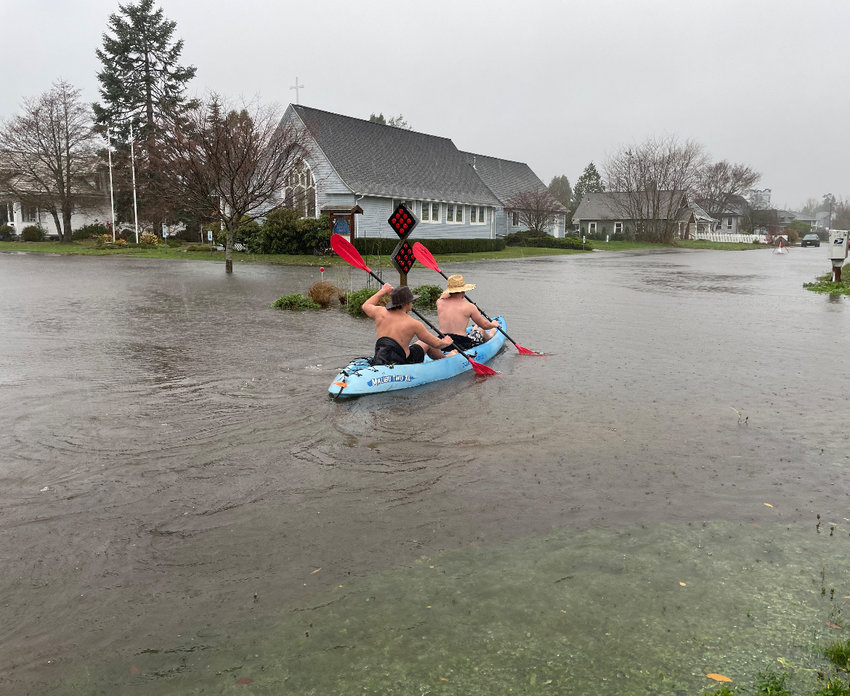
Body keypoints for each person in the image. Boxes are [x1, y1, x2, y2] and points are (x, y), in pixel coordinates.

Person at [362, 283, 454, 365]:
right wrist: (446, 342)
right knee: (425, 342)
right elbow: (436, 344)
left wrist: (383, 291)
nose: (413, 303)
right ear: (406, 303)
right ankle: (445, 359)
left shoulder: (379, 312)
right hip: (402, 362)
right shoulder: (413, 323)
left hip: (380, 358)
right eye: (412, 301)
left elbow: (365, 306)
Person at [436, 274, 500, 350]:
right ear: (464, 291)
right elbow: (484, 325)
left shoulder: (439, 302)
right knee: (481, 330)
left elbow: (443, 295)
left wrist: (452, 289)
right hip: (462, 344)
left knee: (475, 330)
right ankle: (491, 335)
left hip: (442, 342)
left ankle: (474, 330)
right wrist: (493, 324)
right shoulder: (470, 306)